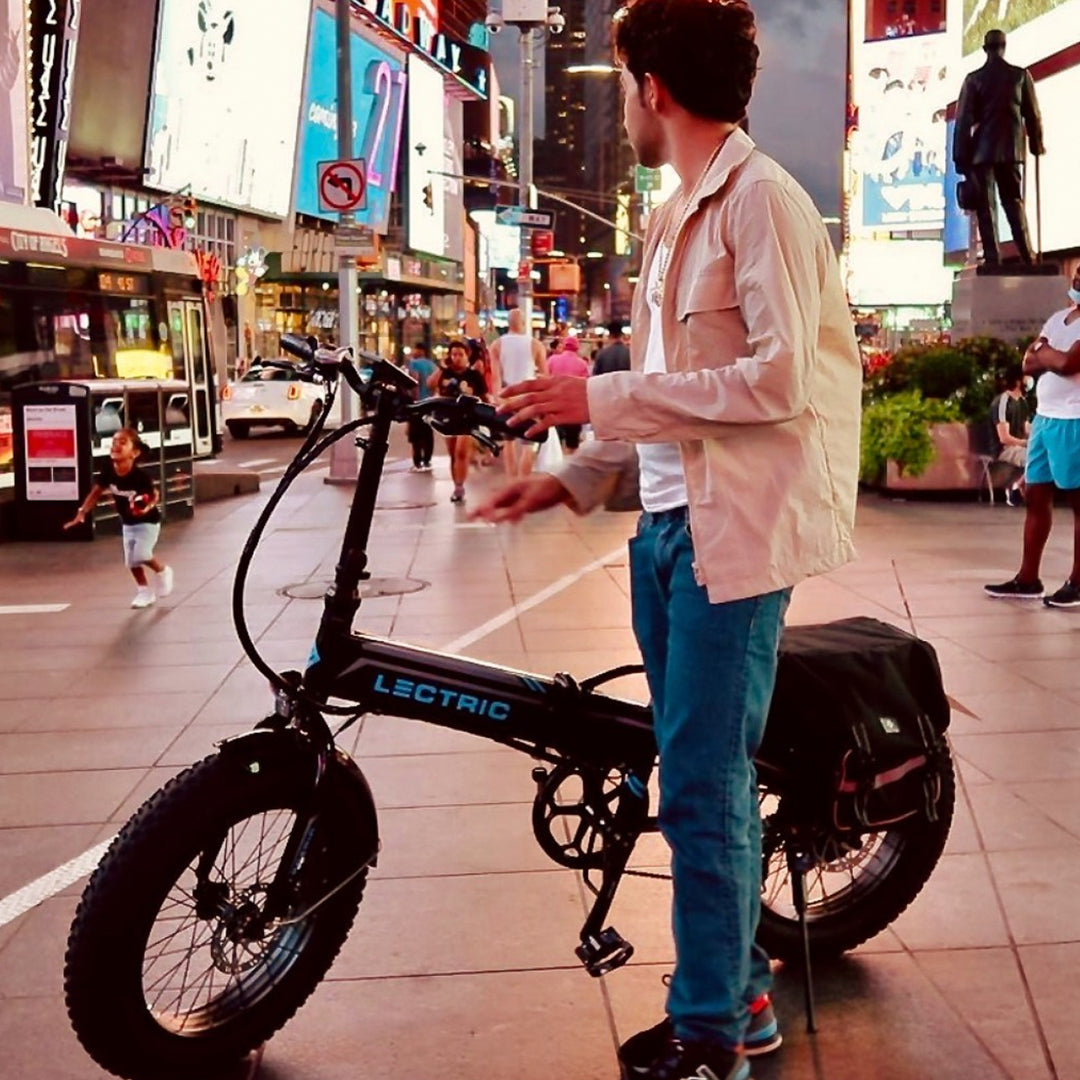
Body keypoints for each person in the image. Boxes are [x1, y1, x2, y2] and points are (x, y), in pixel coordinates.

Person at [474, 3, 861, 1078]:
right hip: (664, 532)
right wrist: (571, 480)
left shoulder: (765, 205)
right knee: (698, 768)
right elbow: (663, 411)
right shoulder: (672, 215)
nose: (626, 94)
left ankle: (709, 1036)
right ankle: (740, 996)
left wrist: (590, 397)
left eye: (624, 72)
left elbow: (780, 382)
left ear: (652, 87)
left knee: (701, 780)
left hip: (731, 540)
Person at [985, 269, 1080, 607]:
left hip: (1075, 420)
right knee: (1036, 497)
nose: (1079, 279)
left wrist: (1048, 355)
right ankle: (1028, 579)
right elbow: (1028, 362)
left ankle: (1077, 582)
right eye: (1079, 272)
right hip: (1045, 420)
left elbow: (1069, 363)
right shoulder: (1059, 320)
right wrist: (1046, 356)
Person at [953, 28, 1044, 266]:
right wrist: (1036, 143)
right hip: (1012, 150)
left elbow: (963, 121)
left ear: (985, 50)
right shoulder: (1020, 76)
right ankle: (1028, 256)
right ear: (1004, 47)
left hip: (982, 152)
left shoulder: (974, 79)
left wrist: (960, 157)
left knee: (987, 207)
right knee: (1014, 203)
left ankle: (993, 258)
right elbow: (1033, 115)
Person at [63, 428, 175, 609]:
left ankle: (162, 570)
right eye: (114, 442)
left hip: (147, 522)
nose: (116, 445)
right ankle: (144, 591)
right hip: (128, 523)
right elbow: (96, 492)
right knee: (131, 561)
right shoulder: (108, 471)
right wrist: (82, 512)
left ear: (135, 452)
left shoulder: (140, 477)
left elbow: (154, 495)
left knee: (142, 554)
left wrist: (146, 506)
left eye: (123, 443)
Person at [489, 309, 549, 478]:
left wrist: (496, 399)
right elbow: (545, 375)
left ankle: (512, 482)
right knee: (528, 443)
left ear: (508, 323)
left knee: (508, 442)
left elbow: (496, 377)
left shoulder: (497, 345)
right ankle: (524, 482)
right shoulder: (536, 344)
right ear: (523, 322)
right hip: (528, 395)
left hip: (507, 395)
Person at [428, 340, 487, 503]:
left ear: (466, 356)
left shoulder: (473, 375)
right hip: (448, 417)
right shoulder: (445, 373)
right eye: (454, 354)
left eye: (461, 354)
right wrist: (441, 368)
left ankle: (460, 486)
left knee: (462, 452)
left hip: (468, 417)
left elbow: (484, 395)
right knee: (453, 454)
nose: (457, 358)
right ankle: (457, 486)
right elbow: (430, 384)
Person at [987, 364, 1030, 506]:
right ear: (1018, 380)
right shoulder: (1003, 402)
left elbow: (1027, 429)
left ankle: (1019, 487)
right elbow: (1004, 438)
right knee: (1034, 458)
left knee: (1044, 455)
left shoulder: (1023, 402)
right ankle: (1016, 488)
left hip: (1019, 446)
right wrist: (1026, 443)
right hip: (1004, 449)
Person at [545, 337, 590, 453]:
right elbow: (586, 387)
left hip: (554, 405)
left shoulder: (552, 360)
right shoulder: (582, 364)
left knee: (555, 440)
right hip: (574, 408)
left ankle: (555, 465)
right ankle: (569, 463)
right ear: (577, 347)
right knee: (572, 443)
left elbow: (545, 379)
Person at [406, 344, 437, 472]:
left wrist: (414, 400)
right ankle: (427, 460)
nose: (413, 351)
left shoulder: (414, 364)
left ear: (420, 350)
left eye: (415, 349)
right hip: (430, 402)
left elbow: (414, 381)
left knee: (415, 434)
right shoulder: (431, 365)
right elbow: (435, 384)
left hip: (418, 402)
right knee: (428, 432)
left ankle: (417, 462)